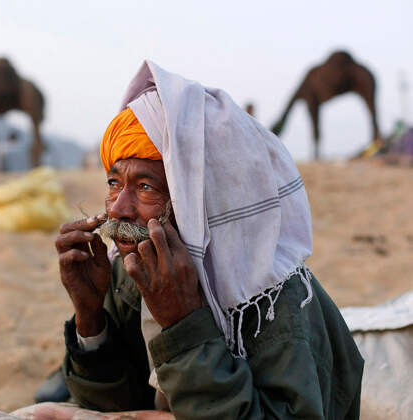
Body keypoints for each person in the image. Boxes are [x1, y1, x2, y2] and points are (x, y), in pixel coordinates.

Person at [53, 61, 364, 419]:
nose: (118, 209)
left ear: (199, 202)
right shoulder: (131, 270)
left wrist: (184, 325)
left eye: (145, 187)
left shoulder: (273, 307)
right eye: (113, 183)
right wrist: (89, 318)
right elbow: (115, 404)